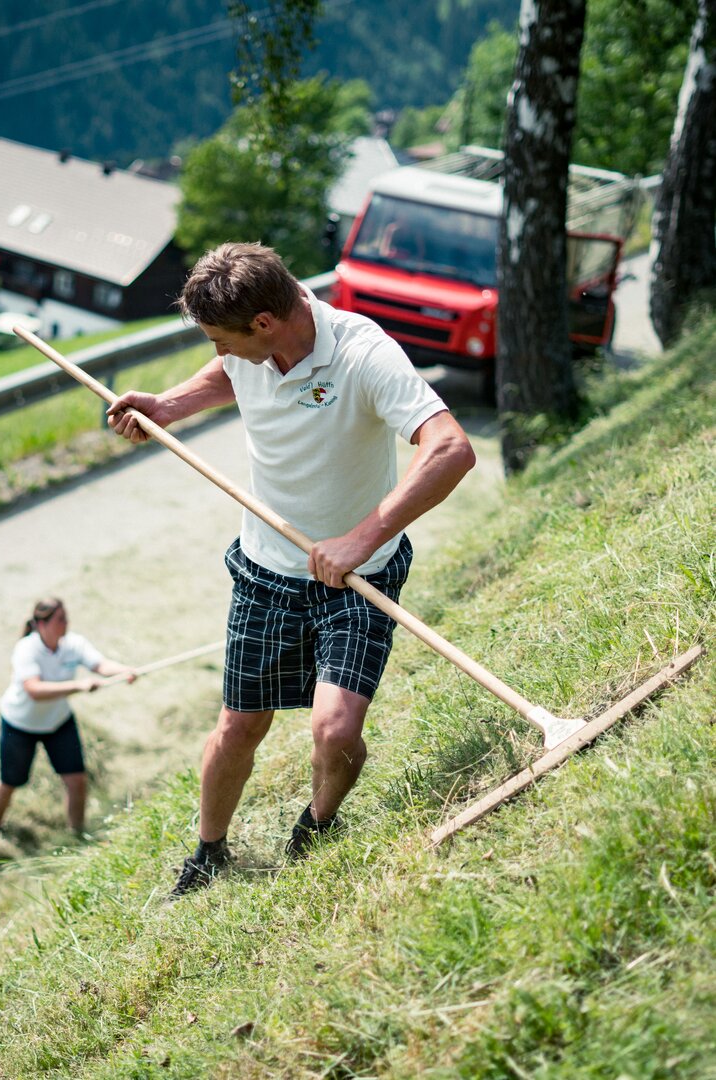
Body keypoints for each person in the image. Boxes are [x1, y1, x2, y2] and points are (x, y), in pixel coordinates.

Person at [106, 242, 475, 897]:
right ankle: (209, 852)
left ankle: (318, 822)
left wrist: (363, 537)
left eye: (222, 338)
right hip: (265, 572)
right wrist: (167, 405)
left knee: (335, 730)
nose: (217, 352)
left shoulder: (364, 354)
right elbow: (230, 374)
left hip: (358, 577)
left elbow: (449, 448)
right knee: (239, 726)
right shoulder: (250, 351)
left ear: (264, 324)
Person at [0, 598, 135, 834]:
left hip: (57, 722)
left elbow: (100, 665)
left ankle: (76, 833)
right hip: (20, 725)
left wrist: (124, 671)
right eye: (60, 619)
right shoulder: (27, 648)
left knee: (77, 780)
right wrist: (78, 685)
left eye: (66, 618)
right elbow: (34, 690)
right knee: (10, 781)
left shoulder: (73, 644)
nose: (66, 623)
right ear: (41, 624)